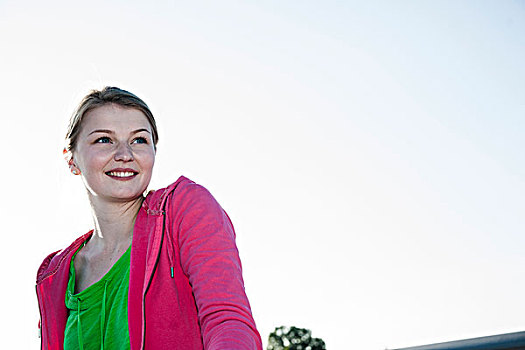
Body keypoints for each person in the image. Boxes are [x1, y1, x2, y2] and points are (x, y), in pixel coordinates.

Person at [35, 87, 263, 350]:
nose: (125, 154)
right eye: (104, 140)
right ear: (71, 158)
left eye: (139, 140)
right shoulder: (55, 274)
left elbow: (227, 320)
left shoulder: (185, 210)